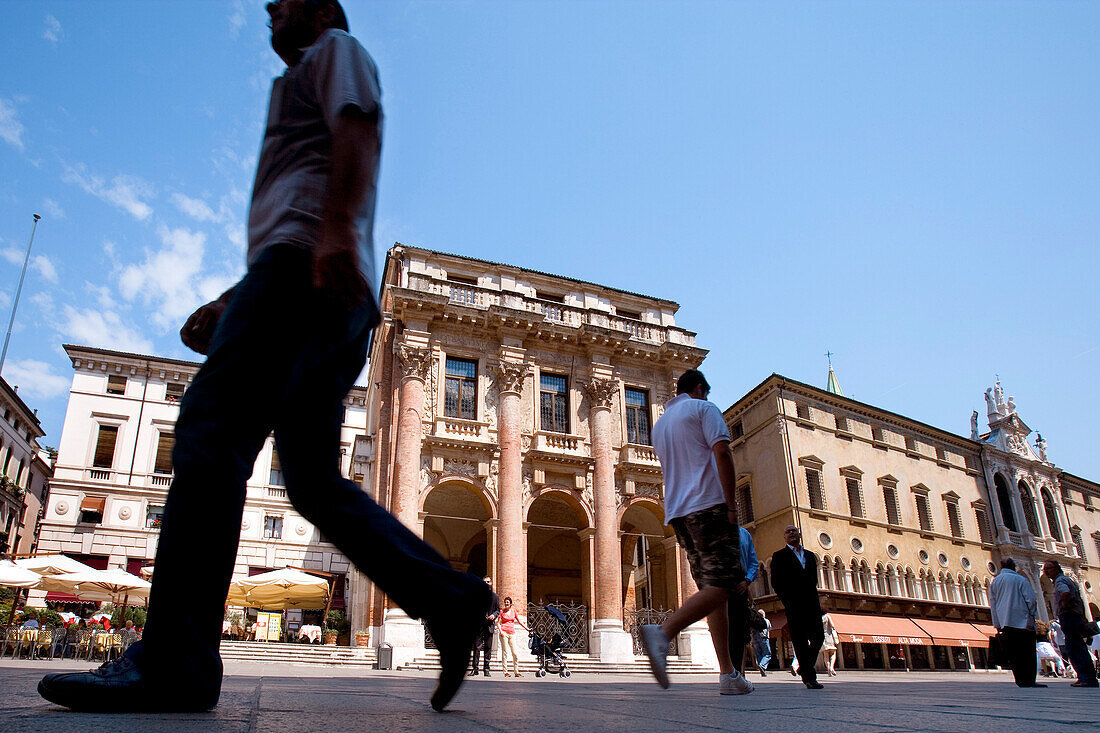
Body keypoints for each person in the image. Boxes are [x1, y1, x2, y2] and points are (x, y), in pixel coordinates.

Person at [37, 0, 489, 714]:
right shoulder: (306, 74)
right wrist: (232, 299)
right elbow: (301, 191)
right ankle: (453, 595)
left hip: (304, 271)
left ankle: (174, 659)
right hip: (314, 280)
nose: (268, 9)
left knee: (209, 435)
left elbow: (357, 129)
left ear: (318, 5)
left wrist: (333, 232)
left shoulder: (334, 50)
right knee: (311, 480)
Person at [641, 369, 754, 696]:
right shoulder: (705, 409)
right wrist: (732, 505)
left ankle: (728, 674)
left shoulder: (659, 426)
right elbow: (722, 452)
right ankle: (663, 633)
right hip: (709, 506)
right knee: (726, 586)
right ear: (700, 388)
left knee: (711, 590)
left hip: (679, 512)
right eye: (705, 391)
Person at [770, 524, 825, 689]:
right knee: (800, 640)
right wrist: (786, 600)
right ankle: (810, 678)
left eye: (794, 531)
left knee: (818, 637)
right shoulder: (779, 556)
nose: (791, 533)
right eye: (788, 532)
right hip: (793, 604)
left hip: (812, 602)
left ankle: (804, 666)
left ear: (799, 534)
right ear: (784, 537)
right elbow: (776, 582)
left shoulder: (809, 555)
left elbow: (814, 578)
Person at [1042, 560, 1098, 687]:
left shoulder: (1060, 581)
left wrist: (1065, 608)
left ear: (1056, 569)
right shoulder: (1066, 580)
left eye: (1048, 569)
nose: (1045, 572)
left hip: (1069, 616)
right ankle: (1087, 677)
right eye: (1044, 570)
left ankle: (1086, 678)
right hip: (1075, 615)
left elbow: (1065, 593)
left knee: (1074, 647)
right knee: (1078, 646)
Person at [988, 558, 1042, 687]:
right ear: (1013, 566)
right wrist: (1032, 614)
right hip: (1023, 622)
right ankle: (1029, 680)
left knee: (1014, 654)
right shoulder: (1020, 579)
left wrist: (997, 624)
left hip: (1005, 623)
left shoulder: (995, 582)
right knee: (1027, 653)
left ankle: (1020, 680)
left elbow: (993, 604)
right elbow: (1031, 600)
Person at [727, 526, 759, 675]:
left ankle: (739, 673)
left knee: (739, 632)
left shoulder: (744, 534)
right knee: (726, 630)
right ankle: (729, 672)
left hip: (741, 586)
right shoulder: (714, 530)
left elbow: (753, 563)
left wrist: (747, 581)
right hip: (721, 586)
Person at [470, 576, 499, 677]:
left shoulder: (495, 597)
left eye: (488, 582)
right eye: (484, 582)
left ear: (491, 583)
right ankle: (475, 668)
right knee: (476, 647)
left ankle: (486, 669)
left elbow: (497, 610)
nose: (486, 583)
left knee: (488, 647)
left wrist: (493, 616)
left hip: (489, 625)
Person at [498, 596, 528, 677]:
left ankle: (516, 671)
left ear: (510, 603)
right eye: (505, 602)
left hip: (512, 633)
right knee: (505, 652)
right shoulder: (502, 611)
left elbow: (519, 621)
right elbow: (498, 623)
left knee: (515, 653)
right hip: (504, 633)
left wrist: (527, 628)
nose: (506, 603)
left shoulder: (513, 611)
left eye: (507, 602)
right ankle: (505, 671)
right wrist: (501, 631)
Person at [751, 609, 772, 676]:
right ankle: (762, 665)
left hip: (755, 639)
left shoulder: (754, 621)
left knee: (758, 654)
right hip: (763, 638)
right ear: (763, 615)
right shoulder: (766, 620)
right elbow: (769, 628)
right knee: (767, 654)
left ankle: (762, 671)